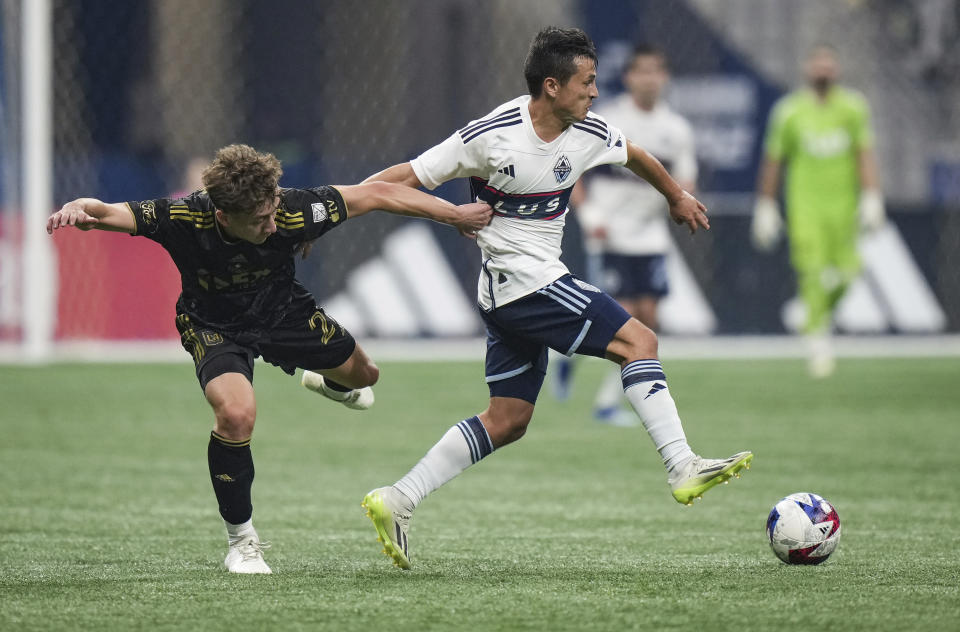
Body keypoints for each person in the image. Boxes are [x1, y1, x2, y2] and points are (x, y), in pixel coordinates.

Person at [358, 27, 753, 570]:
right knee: (639, 339)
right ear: (551, 85)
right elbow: (401, 179)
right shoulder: (491, 135)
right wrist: (335, 209)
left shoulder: (587, 128)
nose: (595, 92)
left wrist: (676, 195)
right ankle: (681, 465)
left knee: (508, 418)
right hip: (526, 284)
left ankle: (398, 498)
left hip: (513, 290)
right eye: (586, 82)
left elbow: (634, 154)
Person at [46, 143, 491, 574]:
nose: (273, 224)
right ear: (223, 216)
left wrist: (453, 216)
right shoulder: (183, 218)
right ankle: (242, 542)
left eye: (274, 210)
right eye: (260, 220)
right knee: (236, 414)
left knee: (365, 375)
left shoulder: (291, 209)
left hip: (283, 314)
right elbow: (104, 211)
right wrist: (78, 208)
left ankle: (330, 383)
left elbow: (376, 193)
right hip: (215, 325)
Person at [552, 44, 698, 426]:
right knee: (623, 316)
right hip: (609, 233)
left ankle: (603, 398)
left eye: (656, 71)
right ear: (630, 76)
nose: (649, 78)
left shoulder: (676, 129)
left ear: (664, 77)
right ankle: (573, 362)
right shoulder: (609, 119)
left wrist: (675, 200)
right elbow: (573, 171)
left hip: (650, 236)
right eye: (641, 71)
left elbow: (683, 181)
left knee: (648, 321)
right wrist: (588, 214)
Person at [751, 44, 884, 378]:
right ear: (808, 69)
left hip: (844, 207)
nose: (823, 69)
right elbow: (773, 160)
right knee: (811, 272)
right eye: (818, 63)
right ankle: (818, 341)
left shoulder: (853, 108)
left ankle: (813, 313)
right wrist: (766, 204)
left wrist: (872, 196)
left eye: (829, 63)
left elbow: (863, 152)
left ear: (836, 69)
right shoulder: (790, 111)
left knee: (848, 274)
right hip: (805, 207)